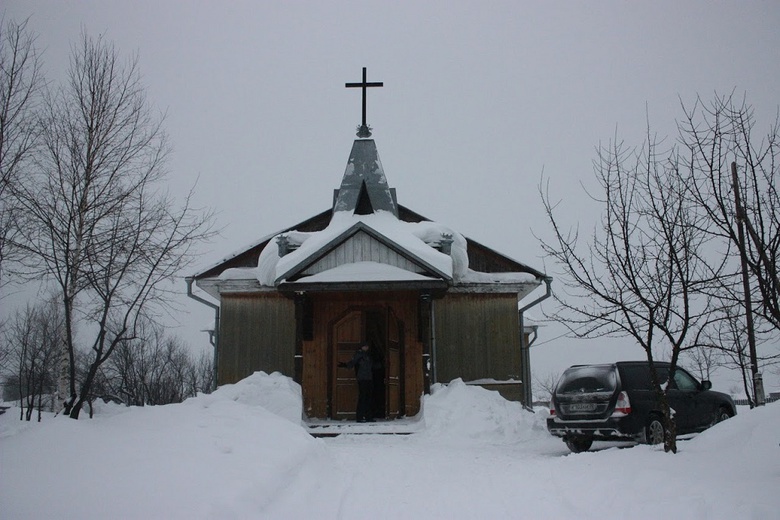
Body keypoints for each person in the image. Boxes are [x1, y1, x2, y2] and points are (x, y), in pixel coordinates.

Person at [339, 344, 375, 422]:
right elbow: (352, 363)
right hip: (362, 379)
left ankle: (368, 417)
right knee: (362, 398)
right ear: (362, 347)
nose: (366, 347)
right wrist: (344, 365)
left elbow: (371, 366)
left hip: (369, 378)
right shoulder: (358, 355)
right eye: (365, 346)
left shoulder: (368, 356)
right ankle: (360, 417)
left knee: (368, 398)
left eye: (367, 346)